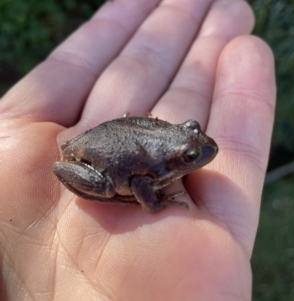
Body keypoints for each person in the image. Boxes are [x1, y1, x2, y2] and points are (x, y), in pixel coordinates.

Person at [0, 0, 275, 300]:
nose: (202, 148)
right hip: (96, 163)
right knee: (108, 188)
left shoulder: (169, 145)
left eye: (192, 134)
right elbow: (139, 181)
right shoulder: (156, 171)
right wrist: (153, 204)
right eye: (191, 156)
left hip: (108, 139)